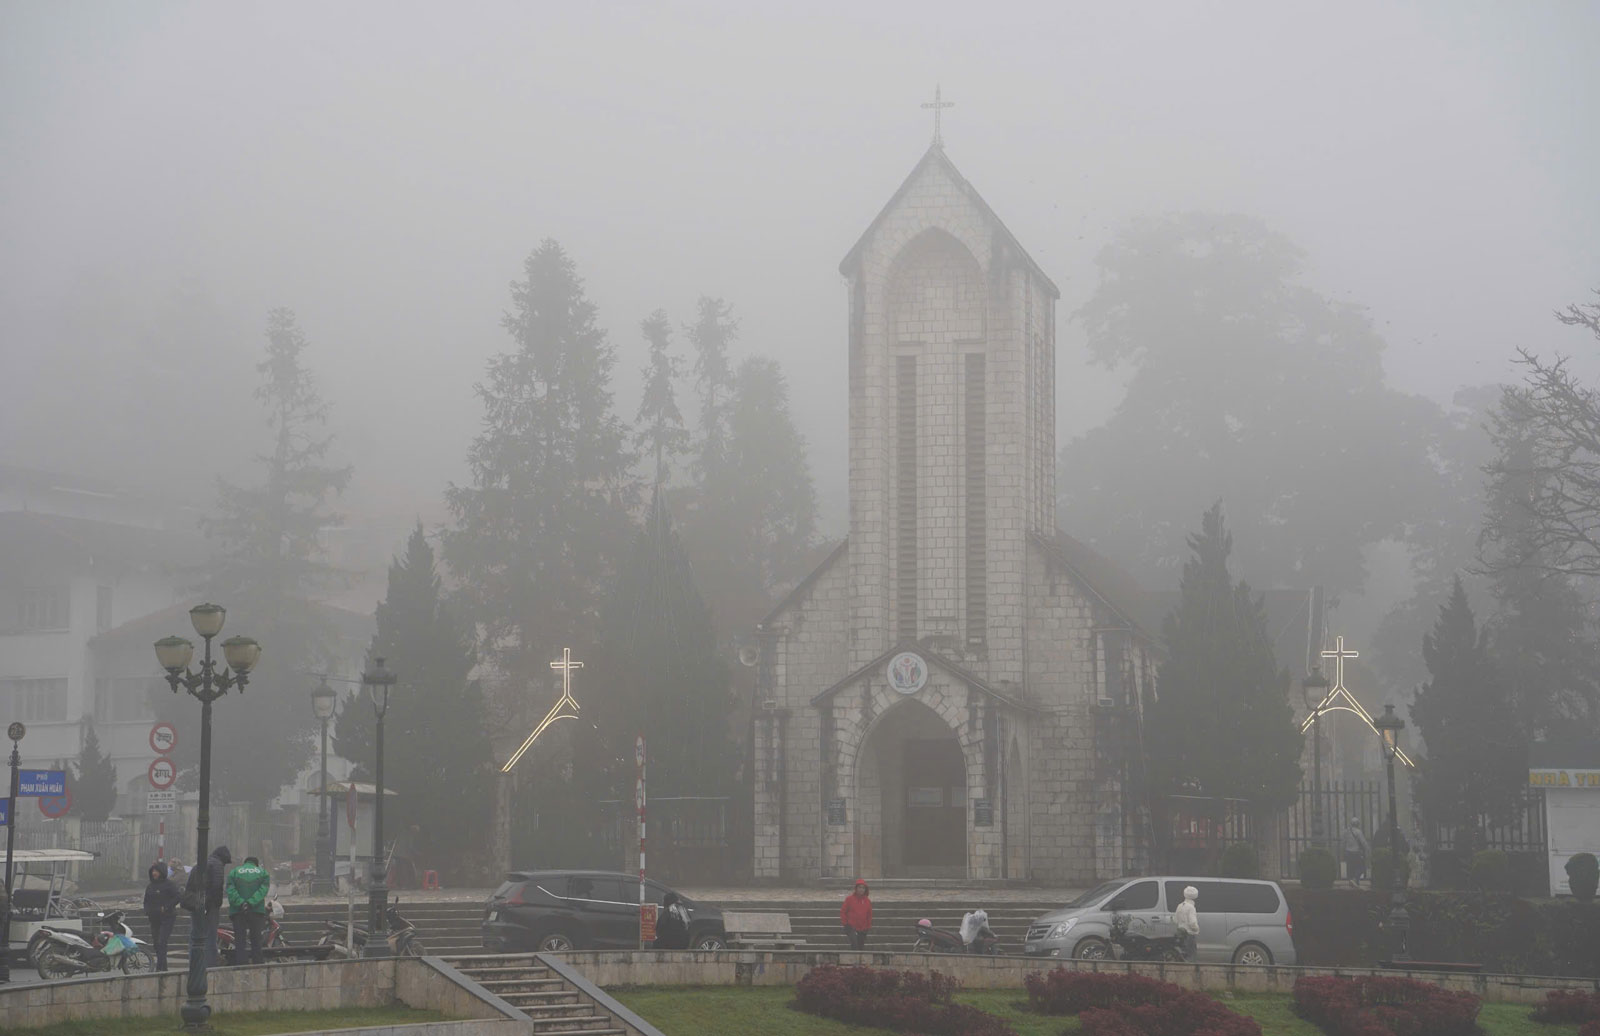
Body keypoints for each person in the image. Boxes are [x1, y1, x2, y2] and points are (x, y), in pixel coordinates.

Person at [225, 854, 271, 965]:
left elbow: (230, 890)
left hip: (238, 911)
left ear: (245, 863)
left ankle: (241, 963)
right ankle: (258, 963)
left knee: (240, 940)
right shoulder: (263, 873)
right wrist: (251, 902)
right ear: (256, 864)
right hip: (256, 911)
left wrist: (241, 903)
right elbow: (262, 890)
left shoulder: (234, 872)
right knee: (256, 940)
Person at [142, 861, 182, 971]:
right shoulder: (150, 886)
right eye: (153, 871)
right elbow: (146, 900)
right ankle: (162, 966)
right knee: (156, 943)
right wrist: (147, 910)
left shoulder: (169, 885)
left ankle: (160, 967)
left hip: (167, 917)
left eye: (156, 871)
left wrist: (167, 907)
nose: (154, 873)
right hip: (154, 918)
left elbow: (177, 897)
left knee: (162, 941)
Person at [203, 845, 232, 968]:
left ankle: (200, 960)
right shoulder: (217, 865)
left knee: (199, 933)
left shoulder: (207, 862)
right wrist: (217, 902)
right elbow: (217, 885)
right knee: (211, 933)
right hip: (211, 904)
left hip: (201, 902)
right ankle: (211, 961)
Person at [840, 879, 872, 950]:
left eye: (863, 888)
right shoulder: (849, 899)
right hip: (851, 927)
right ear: (856, 888)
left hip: (863, 928)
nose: (861, 889)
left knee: (860, 947)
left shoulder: (867, 901)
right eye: (859, 887)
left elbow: (869, 915)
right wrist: (845, 924)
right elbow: (843, 912)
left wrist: (867, 927)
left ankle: (858, 961)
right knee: (854, 944)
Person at [1173, 885, 1200, 962]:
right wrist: (1197, 929)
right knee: (1191, 956)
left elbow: (1175, 920)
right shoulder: (1191, 908)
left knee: (1183, 955)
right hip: (1190, 934)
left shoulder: (1180, 906)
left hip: (1180, 934)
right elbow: (1193, 923)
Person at [1343, 816, 1371, 885]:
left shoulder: (1346, 831)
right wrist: (1368, 849)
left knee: (1351, 868)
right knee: (1362, 867)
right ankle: (1355, 879)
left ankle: (1352, 881)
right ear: (1357, 824)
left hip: (1348, 852)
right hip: (1356, 852)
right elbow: (1363, 842)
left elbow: (1343, 842)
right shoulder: (1358, 832)